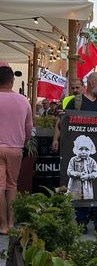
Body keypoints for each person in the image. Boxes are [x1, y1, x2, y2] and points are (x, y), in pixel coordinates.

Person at [64, 72, 97, 234]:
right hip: (81, 156)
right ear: (92, 84)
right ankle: (81, 221)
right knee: (80, 190)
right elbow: (65, 124)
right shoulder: (76, 102)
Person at [0, 63, 33, 234]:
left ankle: (2, 225)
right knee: (12, 186)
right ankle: (12, 223)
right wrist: (23, 141)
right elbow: (29, 128)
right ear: (12, 81)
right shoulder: (23, 100)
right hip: (15, 148)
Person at [67, 135, 97, 200]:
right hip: (75, 187)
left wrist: (88, 176)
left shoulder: (92, 161)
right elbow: (69, 171)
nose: (83, 152)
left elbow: (96, 172)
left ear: (91, 150)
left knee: (86, 201)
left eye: (86, 149)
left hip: (87, 187)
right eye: (81, 149)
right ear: (76, 149)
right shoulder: (73, 160)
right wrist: (79, 174)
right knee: (74, 200)